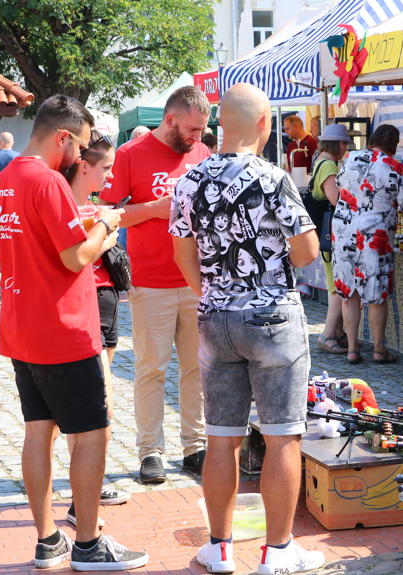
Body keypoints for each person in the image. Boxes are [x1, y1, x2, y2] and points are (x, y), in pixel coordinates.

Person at [0, 94, 147, 570]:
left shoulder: (5, 180)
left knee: (38, 433)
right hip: (63, 329)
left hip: (22, 326)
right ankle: (89, 543)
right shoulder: (47, 181)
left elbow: (8, 243)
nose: (80, 156)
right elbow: (74, 256)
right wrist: (106, 230)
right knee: (91, 434)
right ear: (62, 138)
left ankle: (47, 539)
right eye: (78, 146)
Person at [170, 81, 323, 575]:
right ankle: (278, 552)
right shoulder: (274, 178)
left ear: (220, 125)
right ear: (265, 124)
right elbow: (307, 252)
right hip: (273, 316)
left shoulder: (189, 181)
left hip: (216, 317)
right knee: (282, 437)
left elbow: (182, 253)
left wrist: (211, 292)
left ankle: (219, 549)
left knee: (220, 436)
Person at [100, 86, 210, 484]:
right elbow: (106, 215)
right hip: (150, 282)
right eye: (193, 129)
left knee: (197, 368)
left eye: (203, 131)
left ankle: (194, 447)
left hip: (196, 281)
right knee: (152, 368)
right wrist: (153, 209)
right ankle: (151, 451)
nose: (199, 138)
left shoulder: (201, 155)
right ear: (170, 120)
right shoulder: (132, 155)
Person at [64, 130, 130, 524]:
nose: (110, 176)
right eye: (105, 168)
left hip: (106, 300)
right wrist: (104, 237)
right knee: (92, 406)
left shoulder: (91, 204)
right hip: (83, 304)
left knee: (100, 404)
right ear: (84, 166)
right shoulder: (67, 205)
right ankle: (80, 497)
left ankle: (90, 481)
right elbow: (75, 257)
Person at [333, 124, 403, 364]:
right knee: (376, 293)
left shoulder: (349, 158)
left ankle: (352, 349)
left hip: (343, 233)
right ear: (392, 142)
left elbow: (342, 188)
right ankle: (379, 350)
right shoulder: (396, 167)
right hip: (375, 237)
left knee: (349, 292)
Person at [311, 124, 352, 355]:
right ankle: (327, 335)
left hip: (326, 233)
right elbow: (336, 200)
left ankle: (336, 332)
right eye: (345, 143)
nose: (345, 148)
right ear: (339, 144)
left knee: (334, 283)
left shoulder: (320, 160)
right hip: (331, 233)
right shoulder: (327, 164)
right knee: (337, 286)